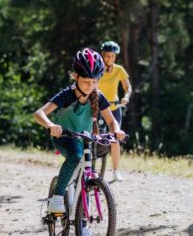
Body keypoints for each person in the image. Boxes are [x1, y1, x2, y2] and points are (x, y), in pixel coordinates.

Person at [34, 48, 126, 214]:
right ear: (75, 76)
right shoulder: (66, 95)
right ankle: (57, 197)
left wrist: (117, 130)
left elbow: (111, 120)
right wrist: (50, 125)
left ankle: (82, 215)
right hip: (64, 138)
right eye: (86, 81)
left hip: (85, 139)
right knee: (76, 156)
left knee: (88, 172)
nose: (90, 86)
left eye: (94, 81)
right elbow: (39, 113)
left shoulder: (98, 96)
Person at [98, 40, 132, 181]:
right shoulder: (97, 68)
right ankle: (90, 166)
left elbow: (128, 87)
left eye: (112, 56)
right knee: (95, 136)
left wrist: (126, 97)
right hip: (99, 107)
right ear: (103, 55)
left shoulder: (119, 70)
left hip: (114, 107)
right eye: (107, 56)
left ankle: (116, 171)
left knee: (115, 139)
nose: (110, 59)